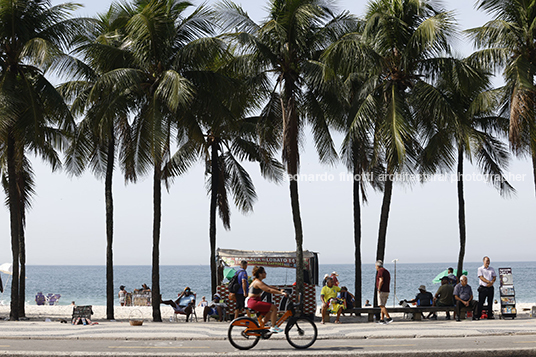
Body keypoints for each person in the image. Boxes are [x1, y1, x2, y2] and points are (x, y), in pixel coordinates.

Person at [246, 266, 288, 333]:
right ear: (260, 274)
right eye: (264, 272)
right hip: (253, 302)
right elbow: (268, 290)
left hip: (254, 301)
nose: (266, 273)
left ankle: (259, 328)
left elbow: (269, 286)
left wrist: (279, 289)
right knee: (274, 308)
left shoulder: (258, 281)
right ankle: (274, 326)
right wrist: (281, 293)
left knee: (269, 313)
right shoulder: (257, 282)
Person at [376, 260, 393, 324]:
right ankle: (382, 319)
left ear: (377, 266)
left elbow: (381, 280)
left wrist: (379, 289)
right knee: (383, 306)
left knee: (381, 305)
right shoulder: (386, 271)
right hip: (387, 290)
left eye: (375, 266)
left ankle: (388, 318)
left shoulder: (380, 271)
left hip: (382, 290)